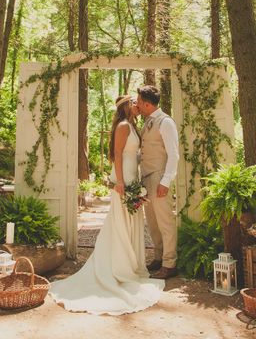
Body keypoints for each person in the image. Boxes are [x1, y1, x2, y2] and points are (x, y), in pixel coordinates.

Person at [49, 95, 164, 315]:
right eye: (134, 103)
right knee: (120, 220)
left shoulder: (132, 125)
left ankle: (130, 264)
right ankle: (118, 266)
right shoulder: (122, 126)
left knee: (130, 219)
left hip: (132, 175)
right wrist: (119, 181)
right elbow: (118, 155)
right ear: (126, 107)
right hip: (123, 178)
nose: (138, 105)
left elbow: (132, 154)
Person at [136, 85, 179, 279]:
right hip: (146, 177)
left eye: (138, 102)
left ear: (147, 103)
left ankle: (170, 264)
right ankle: (159, 257)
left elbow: (174, 155)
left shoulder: (166, 122)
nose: (137, 105)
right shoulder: (147, 122)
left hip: (160, 177)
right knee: (152, 223)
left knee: (165, 222)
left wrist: (166, 181)